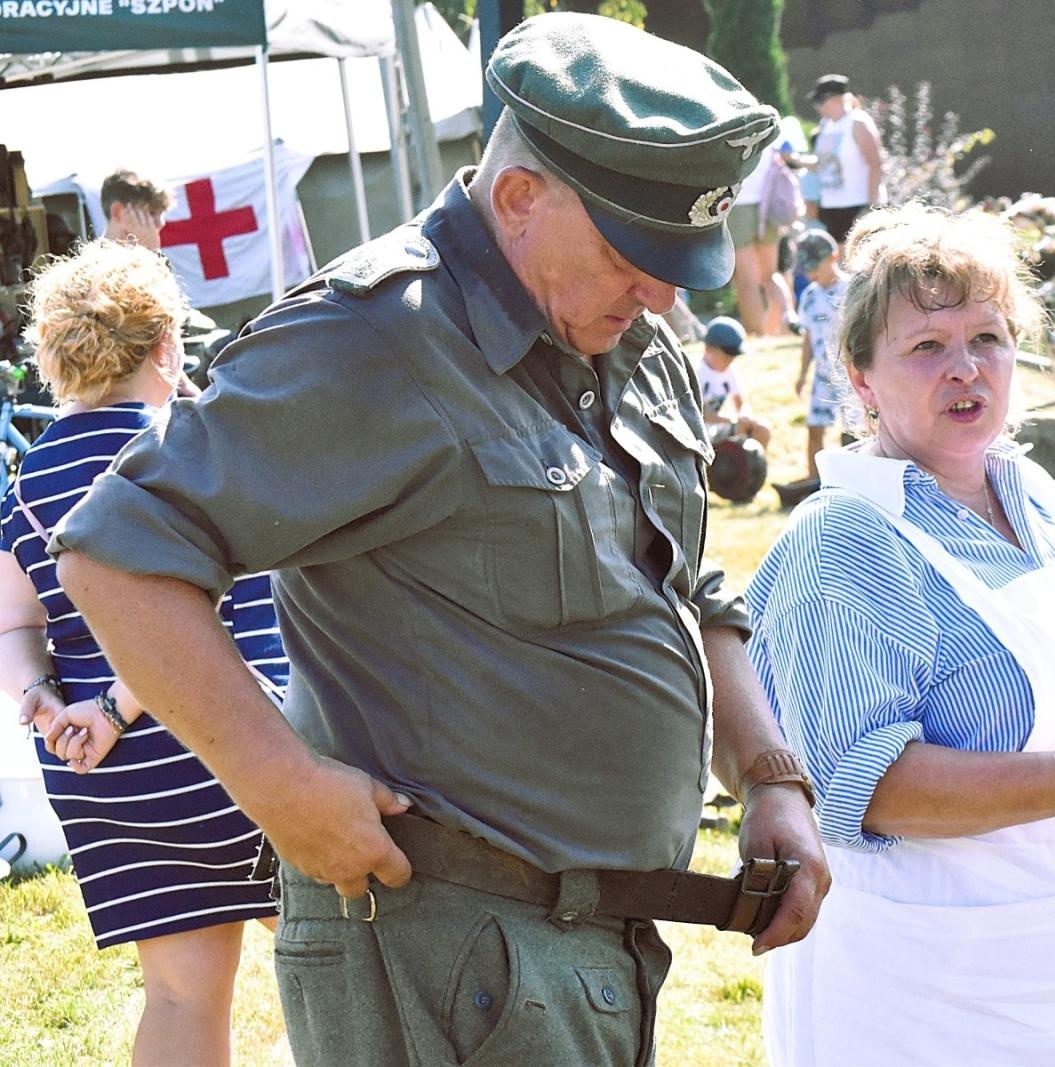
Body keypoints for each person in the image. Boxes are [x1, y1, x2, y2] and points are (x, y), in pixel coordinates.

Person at [49, 15, 828, 1067]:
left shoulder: (627, 340)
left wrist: (769, 773)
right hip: (442, 956)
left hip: (592, 947)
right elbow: (115, 553)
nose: (662, 294)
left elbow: (684, 580)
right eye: (629, 254)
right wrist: (279, 785)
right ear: (518, 199)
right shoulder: (372, 337)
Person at [749, 203, 1055, 1066]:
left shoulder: (1030, 491)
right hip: (922, 992)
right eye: (926, 346)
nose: (965, 367)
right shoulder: (845, 538)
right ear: (861, 378)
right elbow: (861, 786)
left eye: (988, 337)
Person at [1, 239, 287, 1065]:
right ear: (166, 344)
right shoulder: (193, 448)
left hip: (113, 779)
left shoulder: (27, 482)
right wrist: (116, 705)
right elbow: (197, 610)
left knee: (180, 996)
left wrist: (40, 698)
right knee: (341, 962)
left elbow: (13, 623)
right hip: (232, 745)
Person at [728, 115, 808, 336]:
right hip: (768, 208)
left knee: (747, 281)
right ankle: (789, 320)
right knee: (771, 275)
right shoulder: (771, 132)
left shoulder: (733, 132)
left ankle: (757, 334)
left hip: (740, 208)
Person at [792, 229, 849, 481]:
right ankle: (814, 480)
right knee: (815, 428)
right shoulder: (809, 296)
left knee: (852, 432)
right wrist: (802, 374)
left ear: (833, 257)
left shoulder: (851, 290)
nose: (811, 273)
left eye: (816, 266)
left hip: (850, 374)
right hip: (823, 375)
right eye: (807, 268)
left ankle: (853, 480)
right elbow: (808, 338)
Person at [810, 74, 885, 243]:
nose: (818, 108)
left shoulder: (857, 122)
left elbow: (875, 164)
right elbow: (822, 163)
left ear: (835, 99)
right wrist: (793, 160)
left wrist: (871, 207)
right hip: (831, 205)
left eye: (820, 101)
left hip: (857, 204)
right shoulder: (825, 125)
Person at [696, 315, 771, 447]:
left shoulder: (729, 371)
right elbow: (701, 414)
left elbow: (740, 403)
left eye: (733, 357)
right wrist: (735, 420)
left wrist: (745, 416)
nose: (730, 360)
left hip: (719, 429)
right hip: (697, 436)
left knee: (762, 430)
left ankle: (756, 460)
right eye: (726, 356)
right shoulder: (696, 372)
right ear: (709, 349)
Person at [99, 168, 169, 251]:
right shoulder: (92, 258)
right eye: (151, 212)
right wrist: (150, 251)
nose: (161, 223)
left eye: (161, 214)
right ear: (117, 211)